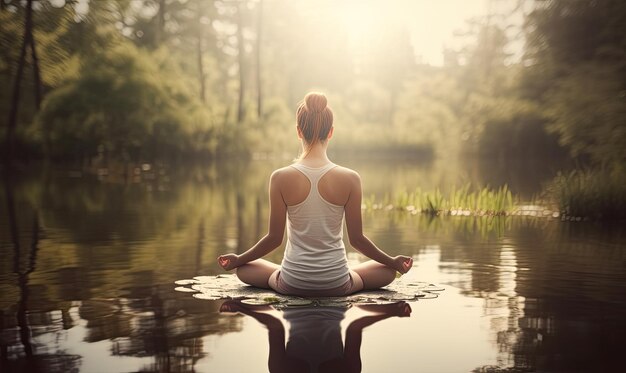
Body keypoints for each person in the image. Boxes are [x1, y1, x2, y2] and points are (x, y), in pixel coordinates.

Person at [217, 92, 413, 297]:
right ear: (331, 132)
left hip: (292, 282)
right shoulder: (351, 178)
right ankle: (347, 275)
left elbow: (274, 239)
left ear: (299, 131)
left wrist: (238, 259)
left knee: (245, 269)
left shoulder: (280, 177)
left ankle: (284, 276)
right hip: (337, 284)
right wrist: (392, 262)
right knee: (387, 272)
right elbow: (357, 240)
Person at [219, 299, 412, 373]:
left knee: (244, 269)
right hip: (333, 290)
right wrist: (241, 308)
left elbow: (355, 328)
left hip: (300, 290)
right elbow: (275, 326)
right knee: (362, 295)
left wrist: (242, 308)